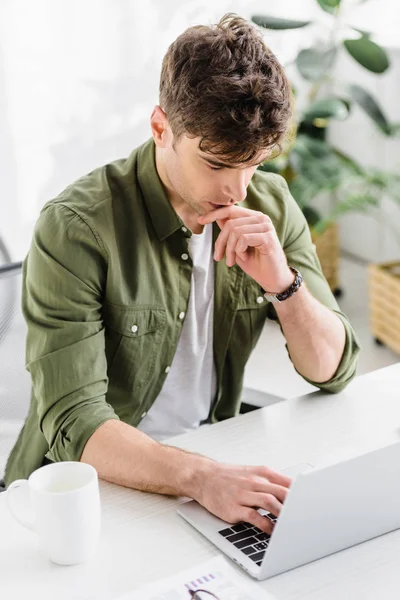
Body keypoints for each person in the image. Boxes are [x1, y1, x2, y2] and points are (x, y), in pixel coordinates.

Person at [3, 14, 359, 531]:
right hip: (86, 493)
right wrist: (202, 477)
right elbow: (75, 421)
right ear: (160, 128)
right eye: (216, 164)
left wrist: (285, 286)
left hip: (208, 464)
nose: (238, 190)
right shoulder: (76, 227)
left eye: (253, 164)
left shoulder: (269, 206)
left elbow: (335, 369)